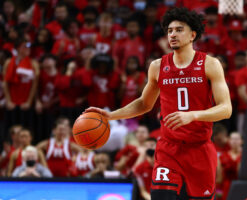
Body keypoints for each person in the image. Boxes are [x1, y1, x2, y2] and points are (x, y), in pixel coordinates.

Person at [85, 7, 232, 200]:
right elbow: (144, 104)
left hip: (199, 149)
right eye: (170, 30)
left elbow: (226, 108)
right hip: (169, 149)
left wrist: (194, 114)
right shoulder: (157, 67)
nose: (172, 34)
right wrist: (112, 115)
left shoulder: (209, 64)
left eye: (179, 30)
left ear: (192, 35)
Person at [219, 132, 242, 200]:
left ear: (241, 141)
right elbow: (219, 178)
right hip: (226, 187)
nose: (234, 141)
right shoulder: (222, 156)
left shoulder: (245, 156)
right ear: (229, 141)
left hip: (241, 186)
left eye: (237, 139)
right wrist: (218, 191)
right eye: (232, 139)